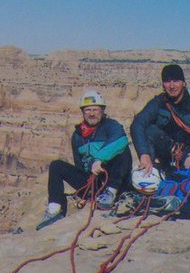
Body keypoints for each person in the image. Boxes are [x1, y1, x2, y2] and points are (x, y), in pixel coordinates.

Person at [36, 90, 133, 230]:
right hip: (93, 181)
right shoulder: (78, 136)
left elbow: (121, 140)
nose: (92, 113)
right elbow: (79, 164)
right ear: (83, 112)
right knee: (56, 166)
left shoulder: (111, 126)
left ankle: (111, 193)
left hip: (113, 179)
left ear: (102, 110)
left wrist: (99, 159)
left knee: (122, 150)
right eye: (88, 110)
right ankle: (54, 209)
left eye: (95, 109)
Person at [131, 63, 190, 177]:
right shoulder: (159, 101)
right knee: (148, 130)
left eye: (176, 81)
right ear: (163, 85)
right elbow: (138, 123)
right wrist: (143, 153)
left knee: (189, 168)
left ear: (183, 83)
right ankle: (151, 169)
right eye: (167, 81)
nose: (172, 86)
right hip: (171, 148)